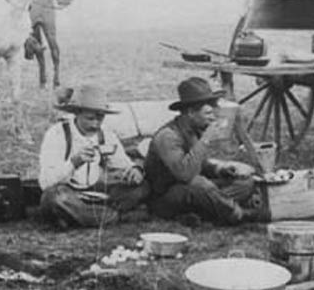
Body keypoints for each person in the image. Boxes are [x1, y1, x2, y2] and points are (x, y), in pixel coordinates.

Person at [144, 77, 259, 226]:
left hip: (193, 190)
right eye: (208, 114)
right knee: (200, 184)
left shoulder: (193, 129)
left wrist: (219, 170)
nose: (213, 117)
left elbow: (199, 164)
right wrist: (206, 139)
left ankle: (207, 211)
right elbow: (185, 174)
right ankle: (237, 215)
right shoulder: (168, 136)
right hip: (165, 197)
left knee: (245, 183)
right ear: (191, 112)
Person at [38, 82, 147, 229]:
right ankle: (115, 217)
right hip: (68, 193)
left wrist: (134, 171)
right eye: (90, 118)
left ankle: (75, 217)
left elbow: (123, 163)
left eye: (100, 118)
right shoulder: (57, 134)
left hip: (97, 194)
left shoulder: (106, 134)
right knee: (54, 198)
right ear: (77, 113)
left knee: (142, 188)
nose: (95, 124)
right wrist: (74, 163)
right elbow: (46, 182)